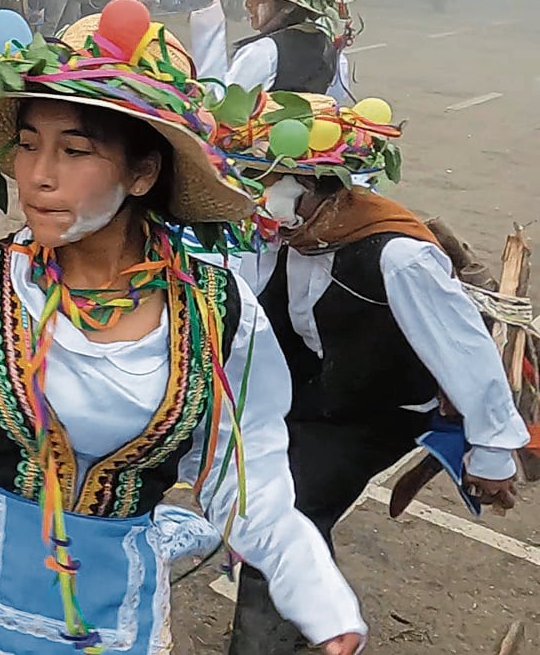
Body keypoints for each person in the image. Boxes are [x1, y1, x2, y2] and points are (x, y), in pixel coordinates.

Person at [0, 6, 367, 655]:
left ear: (142, 172)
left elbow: (249, 478)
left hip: (118, 613)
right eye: (29, 143)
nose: (39, 175)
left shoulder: (216, 312)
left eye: (74, 150)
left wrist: (317, 597)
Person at [221, 93, 528, 654]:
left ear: (312, 185)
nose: (255, 194)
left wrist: (490, 452)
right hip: (315, 394)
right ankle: (306, 612)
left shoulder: (397, 255)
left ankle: (269, 642)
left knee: (291, 502)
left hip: (380, 411)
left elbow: (466, 354)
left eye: (267, 180)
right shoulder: (284, 237)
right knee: (261, 487)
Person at [195, 0, 358, 100]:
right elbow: (332, 105)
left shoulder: (262, 52)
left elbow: (220, 105)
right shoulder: (334, 53)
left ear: (288, 6)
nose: (248, 2)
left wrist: (209, 34)